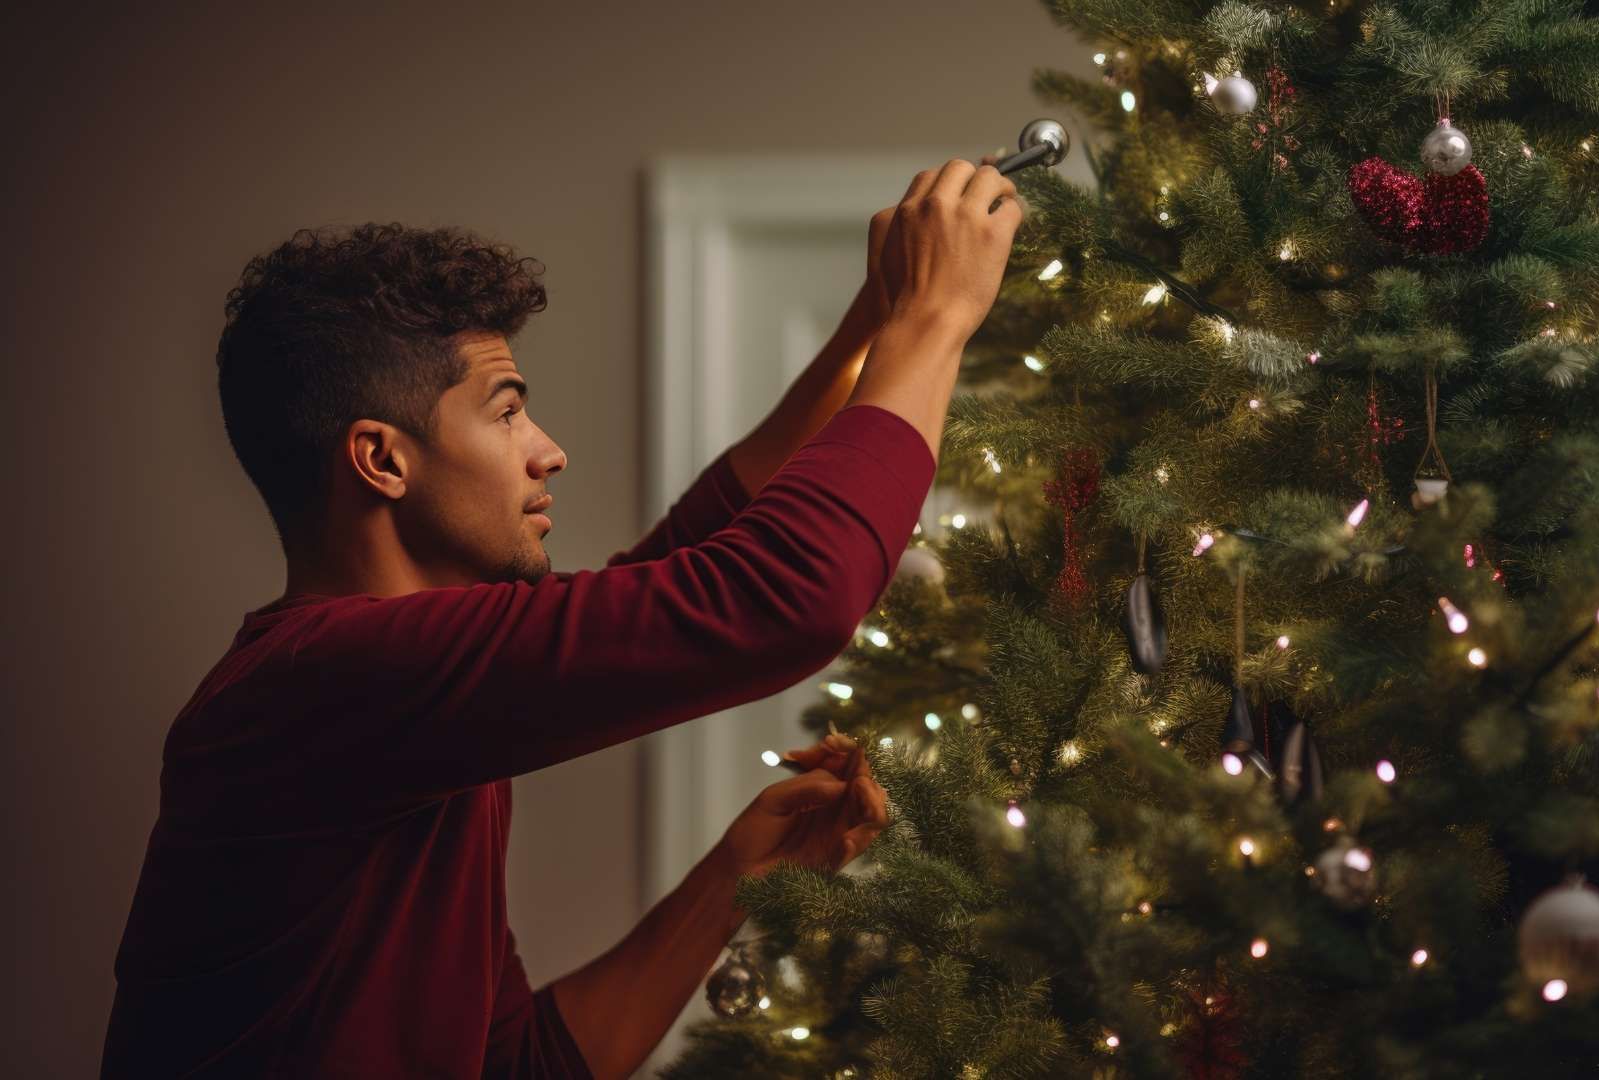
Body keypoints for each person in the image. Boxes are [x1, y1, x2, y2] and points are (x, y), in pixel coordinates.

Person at [101, 156, 1023, 1078]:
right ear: (382, 461)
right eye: (506, 415)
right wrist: (934, 319)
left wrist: (738, 879)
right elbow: (785, 595)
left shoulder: (416, 706)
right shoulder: (317, 683)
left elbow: (523, 1066)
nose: (549, 451)